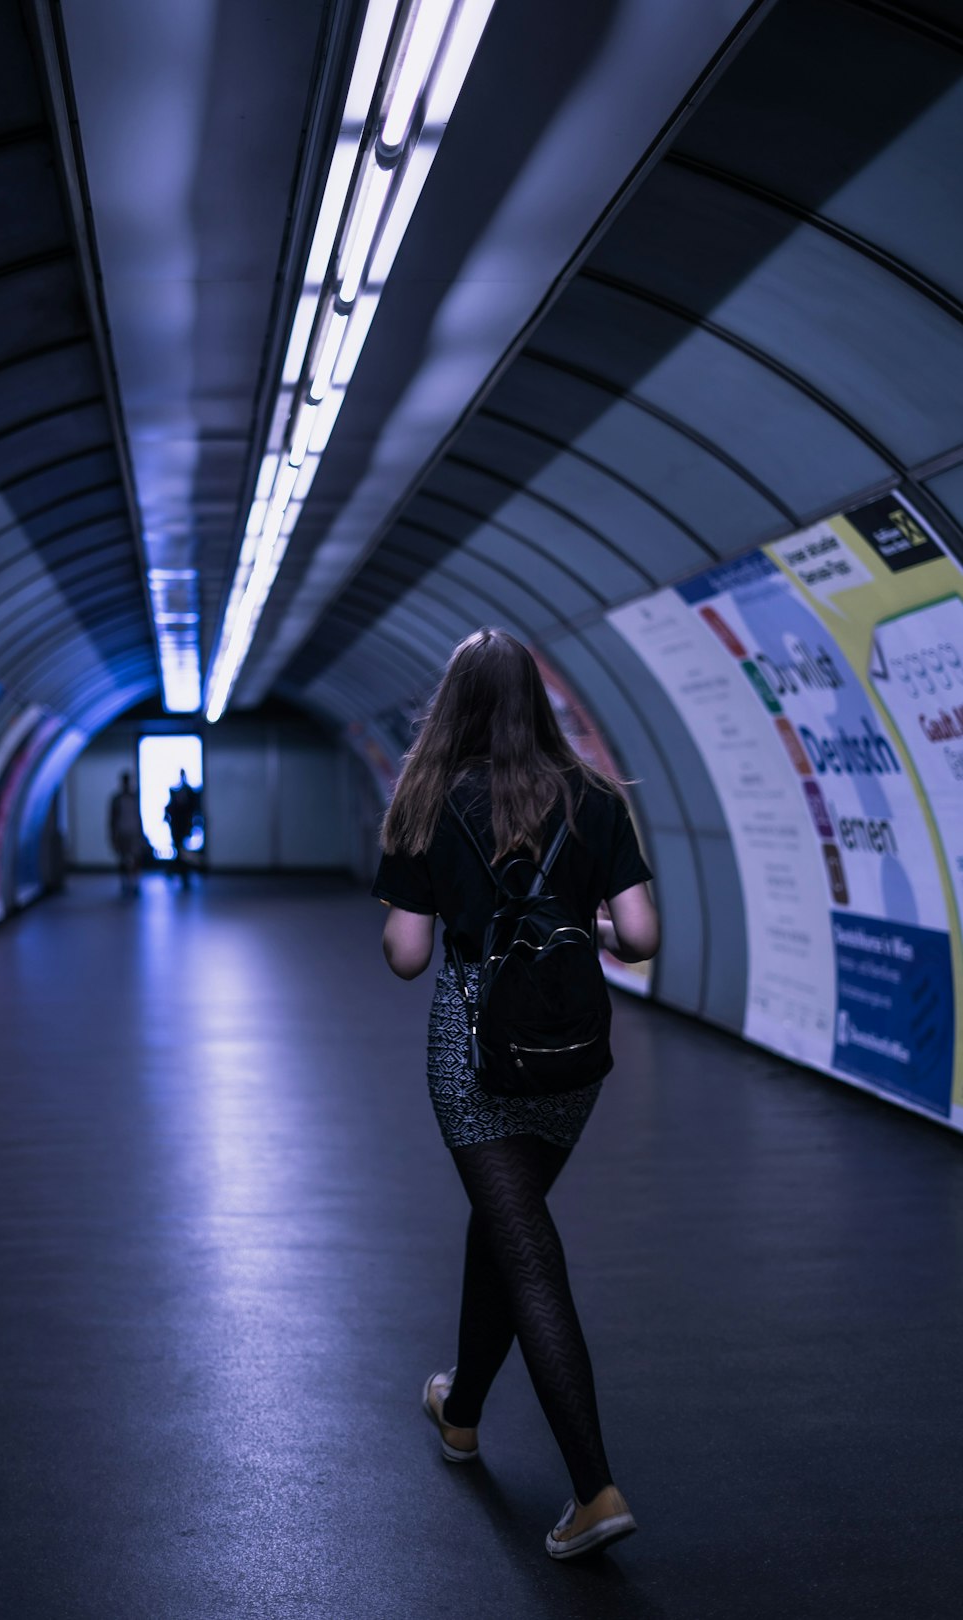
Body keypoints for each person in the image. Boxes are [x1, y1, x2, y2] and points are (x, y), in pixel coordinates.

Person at [372, 628, 659, 1561]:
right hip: (571, 1051)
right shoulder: (595, 796)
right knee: (505, 1221)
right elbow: (641, 935)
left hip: (475, 1053)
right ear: (536, 701)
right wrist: (587, 927)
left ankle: (594, 1487)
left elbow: (409, 956)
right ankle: (460, 1413)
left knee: (524, 1248)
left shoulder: (425, 800)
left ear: (453, 706)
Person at [108, 771, 143, 897]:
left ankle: (133, 883)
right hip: (123, 831)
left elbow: (138, 816)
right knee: (123, 859)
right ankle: (126, 883)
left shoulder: (133, 798)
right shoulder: (118, 799)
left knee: (135, 859)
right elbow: (112, 818)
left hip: (131, 831)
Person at [164, 770, 198, 887]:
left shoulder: (187, 792)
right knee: (180, 851)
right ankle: (179, 873)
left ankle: (176, 872)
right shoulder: (176, 792)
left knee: (181, 851)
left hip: (183, 826)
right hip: (177, 826)